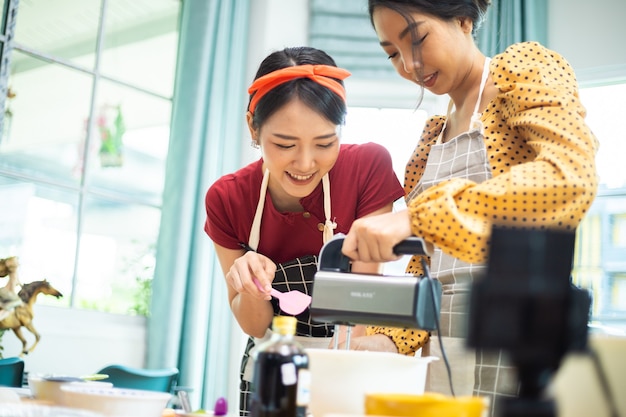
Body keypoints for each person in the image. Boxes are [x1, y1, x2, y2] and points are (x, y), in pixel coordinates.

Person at [339, 0, 599, 415]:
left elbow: (567, 176)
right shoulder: (431, 138)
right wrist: (389, 338)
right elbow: (425, 265)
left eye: (418, 39)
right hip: (437, 347)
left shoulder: (522, 72)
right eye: (391, 53)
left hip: (517, 337)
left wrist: (415, 217)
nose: (408, 64)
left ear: (462, 19)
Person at [204, 46, 405, 416]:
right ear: (253, 127)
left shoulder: (367, 167)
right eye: (284, 145)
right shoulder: (229, 197)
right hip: (272, 364)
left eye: (325, 143)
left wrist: (338, 382)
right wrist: (250, 286)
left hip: (348, 358)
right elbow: (255, 324)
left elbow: (362, 302)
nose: (306, 163)